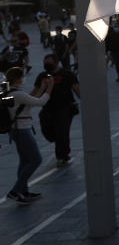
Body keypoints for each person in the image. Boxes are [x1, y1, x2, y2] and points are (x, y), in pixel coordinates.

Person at [4, 67, 53, 204]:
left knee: (25, 161)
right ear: (17, 78)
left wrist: (42, 87)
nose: (23, 79)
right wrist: (49, 88)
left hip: (15, 129)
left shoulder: (8, 92)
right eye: (22, 76)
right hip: (22, 130)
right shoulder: (18, 94)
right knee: (36, 159)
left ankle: (23, 191)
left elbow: (28, 103)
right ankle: (15, 191)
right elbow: (40, 102)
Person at [33, 54, 81, 168]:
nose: (47, 65)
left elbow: (77, 90)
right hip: (47, 109)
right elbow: (35, 92)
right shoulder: (42, 76)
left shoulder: (67, 74)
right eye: (45, 63)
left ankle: (61, 156)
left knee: (61, 132)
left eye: (49, 63)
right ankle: (62, 147)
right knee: (48, 133)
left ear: (56, 62)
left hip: (64, 108)